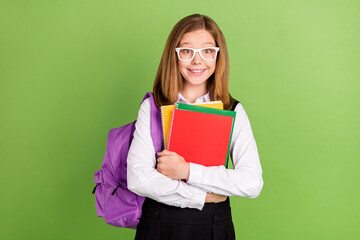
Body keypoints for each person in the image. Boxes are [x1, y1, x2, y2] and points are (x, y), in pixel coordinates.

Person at [127, 13, 263, 240]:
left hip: (213, 228)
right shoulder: (153, 107)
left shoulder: (232, 110)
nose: (197, 61)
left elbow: (251, 182)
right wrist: (202, 196)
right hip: (159, 227)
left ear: (218, 57)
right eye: (187, 51)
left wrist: (187, 171)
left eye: (208, 51)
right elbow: (138, 178)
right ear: (174, 56)